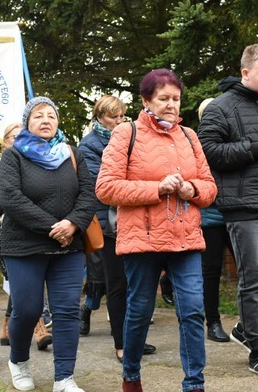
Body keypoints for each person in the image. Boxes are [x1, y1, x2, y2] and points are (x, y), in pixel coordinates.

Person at [97, 69, 218, 392]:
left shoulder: (190, 137)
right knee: (139, 311)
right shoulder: (126, 133)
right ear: (146, 100)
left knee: (193, 310)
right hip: (143, 239)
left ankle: (194, 384)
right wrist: (158, 188)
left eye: (176, 99)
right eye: (163, 99)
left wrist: (191, 189)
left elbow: (210, 188)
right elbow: (106, 188)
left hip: (186, 238)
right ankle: (131, 374)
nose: (171, 105)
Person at [197, 44, 258, 380]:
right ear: (245, 72)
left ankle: (245, 326)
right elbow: (208, 152)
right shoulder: (219, 109)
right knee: (253, 278)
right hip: (241, 207)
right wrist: (255, 149)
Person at [0, 96, 97, 392]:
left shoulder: (73, 154)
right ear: (27, 122)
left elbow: (88, 194)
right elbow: (11, 199)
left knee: (66, 311)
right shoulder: (14, 157)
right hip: (24, 247)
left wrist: (73, 224)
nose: (45, 120)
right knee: (27, 310)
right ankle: (18, 361)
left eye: (51, 115)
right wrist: (54, 227)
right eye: (38, 115)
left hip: (68, 247)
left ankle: (64, 377)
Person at [78, 95, 157, 362]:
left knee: (139, 282)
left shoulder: (132, 137)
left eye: (122, 116)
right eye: (113, 117)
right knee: (117, 284)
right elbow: (102, 186)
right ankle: (121, 343)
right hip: (108, 223)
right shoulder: (88, 146)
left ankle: (136, 338)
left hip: (135, 218)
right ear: (99, 117)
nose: (119, 121)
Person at [0, 122, 53, 351]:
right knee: (22, 285)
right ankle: (38, 329)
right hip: (9, 232)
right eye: (13, 137)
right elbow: (0, 200)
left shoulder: (35, 162)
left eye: (22, 136)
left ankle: (7, 326)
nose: (18, 141)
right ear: (4, 142)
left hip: (36, 229)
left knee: (23, 285)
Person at [196, 98, 234, 344]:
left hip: (235, 213)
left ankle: (252, 323)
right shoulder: (201, 144)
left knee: (252, 267)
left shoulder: (232, 140)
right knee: (210, 272)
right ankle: (213, 322)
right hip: (210, 217)